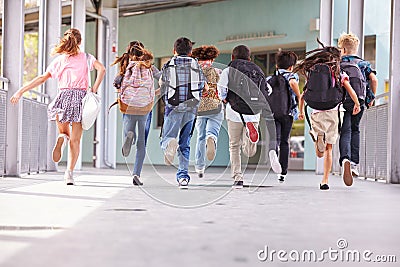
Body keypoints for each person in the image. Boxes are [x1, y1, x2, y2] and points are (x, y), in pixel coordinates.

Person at [10, 28, 105, 185]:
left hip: (62, 97)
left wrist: (21, 91)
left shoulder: (60, 60)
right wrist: (94, 89)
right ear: (80, 42)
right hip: (80, 99)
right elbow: (102, 69)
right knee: (75, 141)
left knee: (64, 132)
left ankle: (62, 137)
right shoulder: (87, 57)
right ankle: (69, 173)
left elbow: (42, 78)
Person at [296, 44, 360, 190]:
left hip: (316, 112)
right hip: (332, 111)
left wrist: (300, 111)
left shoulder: (313, 72)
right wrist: (357, 103)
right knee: (329, 148)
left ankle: (319, 139)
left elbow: (302, 96)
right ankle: (325, 180)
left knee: (320, 152)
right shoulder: (339, 72)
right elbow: (349, 90)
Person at [159, 37, 206, 188]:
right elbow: (204, 87)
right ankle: (183, 177)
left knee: (166, 138)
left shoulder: (168, 65)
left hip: (173, 107)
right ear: (191, 52)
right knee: (185, 143)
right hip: (191, 109)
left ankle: (169, 143)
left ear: (174, 51)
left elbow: (162, 84)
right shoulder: (196, 65)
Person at [218, 45, 266, 188]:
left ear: (233, 57)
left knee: (234, 146)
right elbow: (267, 89)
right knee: (249, 151)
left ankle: (238, 178)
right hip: (253, 113)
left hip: (234, 112)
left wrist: (223, 98)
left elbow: (221, 87)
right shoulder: (258, 70)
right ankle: (250, 138)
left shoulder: (229, 70)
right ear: (249, 58)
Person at [111, 41, 158, 186]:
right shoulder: (149, 66)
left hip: (129, 107)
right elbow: (164, 78)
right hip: (145, 107)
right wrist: (154, 93)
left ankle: (129, 135)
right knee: (142, 144)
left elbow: (117, 84)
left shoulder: (125, 68)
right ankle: (136, 173)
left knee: (129, 131)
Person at [338, 33, 378, 183]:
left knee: (345, 130)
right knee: (355, 129)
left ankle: (345, 159)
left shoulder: (338, 64)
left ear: (343, 49)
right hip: (359, 102)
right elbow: (373, 79)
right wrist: (371, 98)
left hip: (342, 102)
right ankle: (354, 164)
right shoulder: (364, 64)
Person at [266, 51, 301, 182]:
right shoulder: (292, 76)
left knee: (274, 137)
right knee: (285, 141)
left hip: (272, 112)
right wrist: (299, 96)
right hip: (288, 112)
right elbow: (292, 84)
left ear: (277, 65)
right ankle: (283, 173)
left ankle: (272, 151)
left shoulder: (269, 79)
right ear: (291, 66)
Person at [191, 45, 224, 178]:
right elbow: (223, 90)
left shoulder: (195, 71)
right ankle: (212, 139)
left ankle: (199, 167)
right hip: (215, 106)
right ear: (212, 58)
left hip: (199, 108)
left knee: (200, 137)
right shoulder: (217, 71)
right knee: (212, 131)